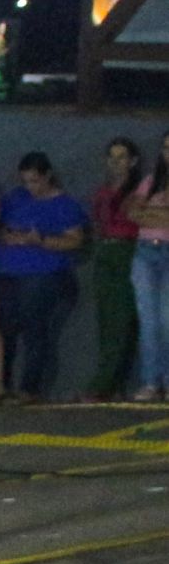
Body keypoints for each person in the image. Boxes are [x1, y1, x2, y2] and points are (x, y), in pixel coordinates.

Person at [0, 151, 88, 402]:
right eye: (25, 181)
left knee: (35, 330)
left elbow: (74, 240)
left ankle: (29, 388)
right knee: (6, 330)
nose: (30, 187)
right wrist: (7, 236)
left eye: (35, 181)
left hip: (42, 273)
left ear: (48, 176)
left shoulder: (65, 204)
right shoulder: (15, 198)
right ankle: (2, 385)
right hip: (7, 272)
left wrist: (40, 240)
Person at [91, 136, 143, 401]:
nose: (116, 162)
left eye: (122, 157)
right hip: (106, 252)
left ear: (133, 161)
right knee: (107, 320)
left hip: (129, 249)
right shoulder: (103, 192)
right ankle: (110, 382)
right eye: (112, 157)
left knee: (123, 320)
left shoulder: (139, 191)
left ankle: (105, 383)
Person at [126, 132, 169, 401]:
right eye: (166, 147)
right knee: (148, 321)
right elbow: (132, 212)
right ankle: (151, 382)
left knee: (167, 319)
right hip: (145, 252)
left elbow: (144, 214)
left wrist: (149, 215)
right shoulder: (152, 182)